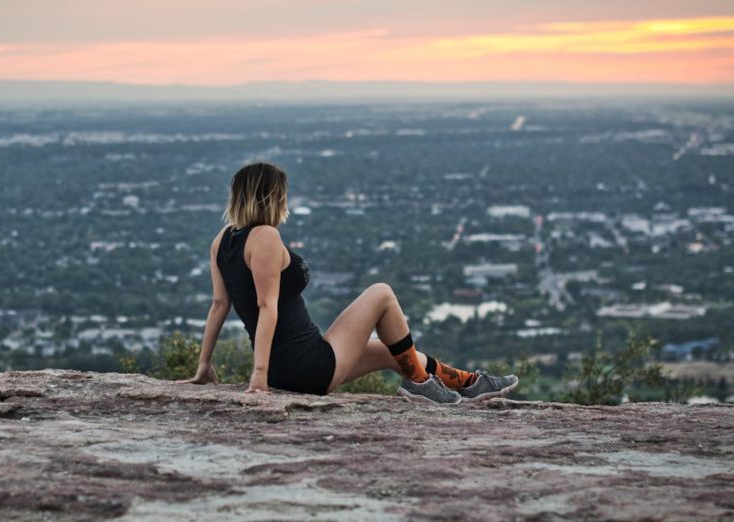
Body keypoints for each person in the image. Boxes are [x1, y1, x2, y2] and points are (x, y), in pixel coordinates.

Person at [179, 162, 517, 405]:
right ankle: (418, 383)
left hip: (295, 365)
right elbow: (267, 306)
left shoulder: (221, 240)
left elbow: (218, 306)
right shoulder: (265, 235)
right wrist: (259, 376)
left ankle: (469, 384)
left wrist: (204, 365)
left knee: (392, 352)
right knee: (381, 293)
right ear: (271, 197)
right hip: (305, 365)